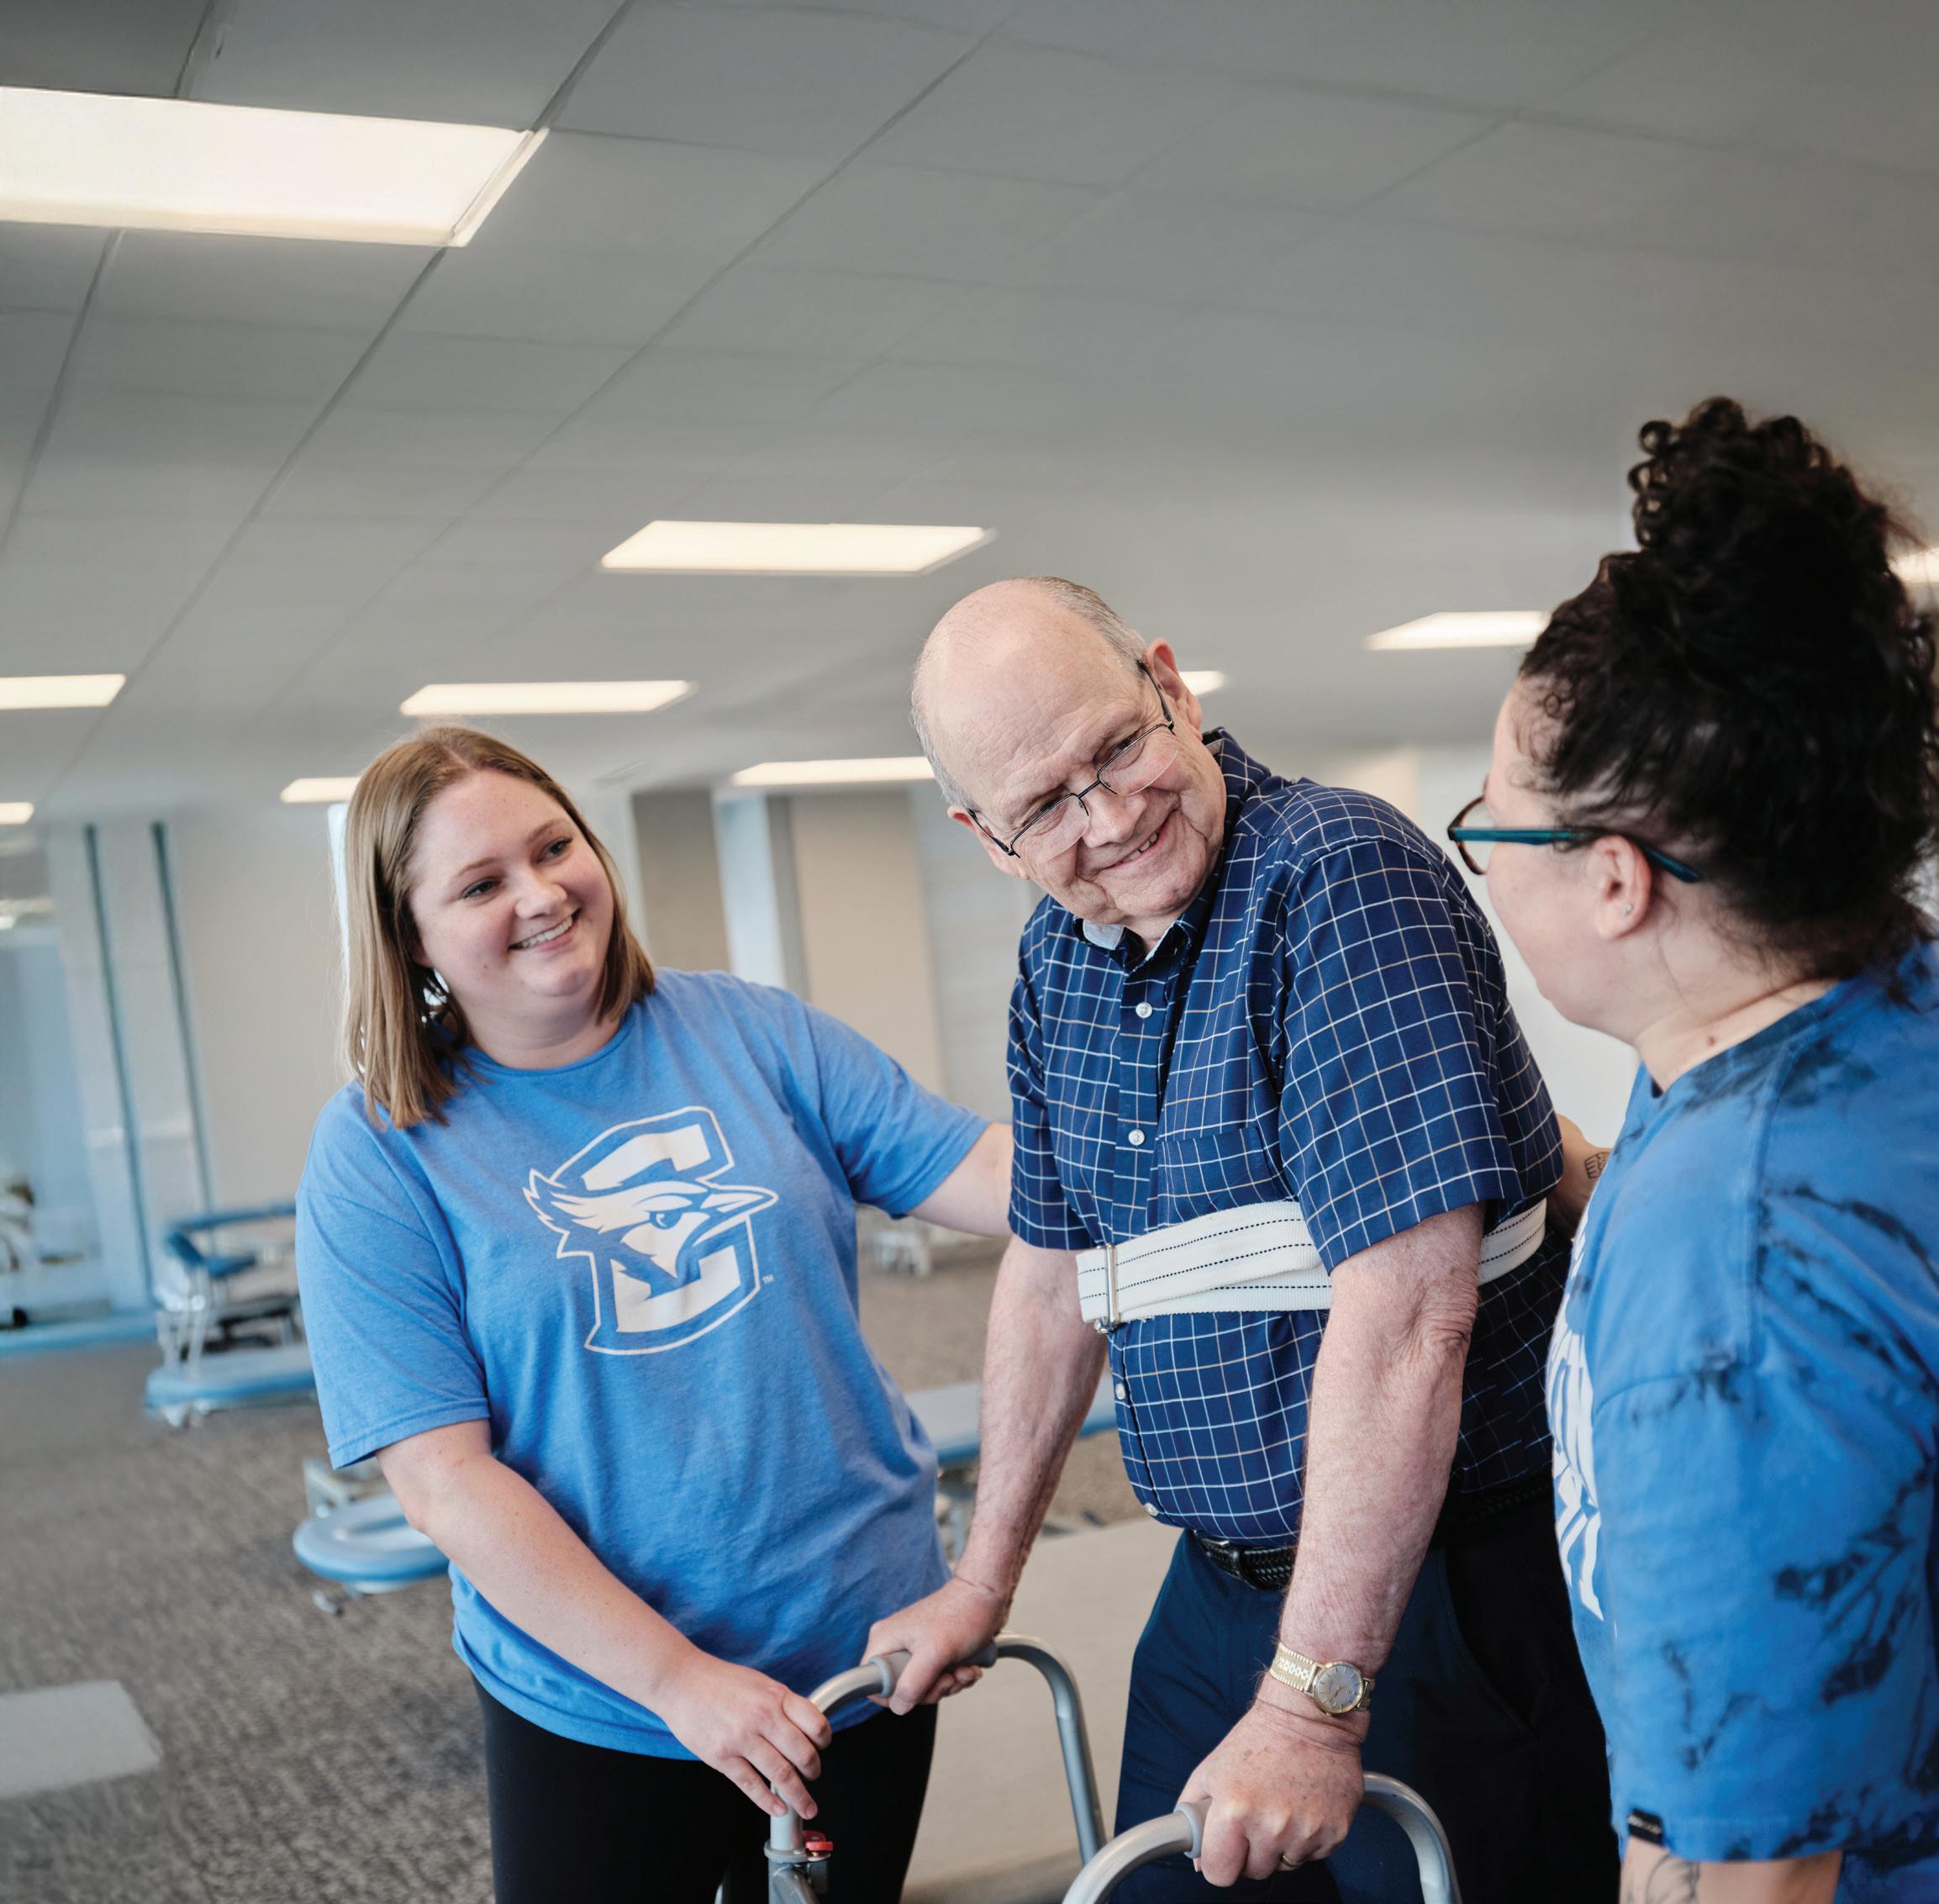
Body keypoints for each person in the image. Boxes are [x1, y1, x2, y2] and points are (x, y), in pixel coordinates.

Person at [872, 578, 1616, 1901]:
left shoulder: (1337, 876)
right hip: (1215, 1593)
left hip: (1440, 1593)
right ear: (987, 837)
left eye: (1117, 747)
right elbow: (1051, 1279)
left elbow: (1409, 1314)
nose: (1109, 817)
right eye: (1046, 806)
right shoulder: (1058, 959)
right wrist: (981, 1581)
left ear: (1172, 685)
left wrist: (1315, 1701)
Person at [295, 725, 1011, 1904]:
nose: (540, 894)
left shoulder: (754, 1031)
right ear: (410, 935)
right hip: (599, 1697)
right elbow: (444, 1483)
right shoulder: (380, 1151)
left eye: (553, 848)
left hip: (856, 1652)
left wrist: (1186, 1136)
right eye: (480, 884)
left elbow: (987, 1172)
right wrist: (677, 1680)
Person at [1454, 398, 1939, 1902]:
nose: (1483, 866)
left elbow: (1754, 1870)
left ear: (1614, 882)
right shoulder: (1871, 1002)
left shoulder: (1725, 1268)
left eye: (1491, 827)